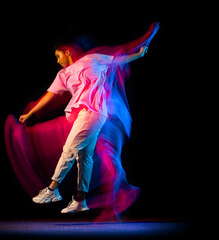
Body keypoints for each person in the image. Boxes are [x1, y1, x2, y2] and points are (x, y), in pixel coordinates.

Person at [18, 24, 156, 213]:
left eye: (58, 56)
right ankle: (80, 200)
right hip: (81, 114)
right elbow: (48, 95)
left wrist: (138, 55)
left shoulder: (94, 60)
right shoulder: (64, 74)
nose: (58, 61)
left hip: (94, 111)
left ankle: (52, 189)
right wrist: (30, 113)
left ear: (66, 51)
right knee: (84, 157)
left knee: (69, 149)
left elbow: (117, 61)